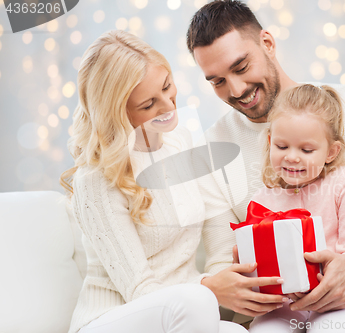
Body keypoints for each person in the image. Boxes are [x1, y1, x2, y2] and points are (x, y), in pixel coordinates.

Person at [186, 1, 345, 331]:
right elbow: (221, 258)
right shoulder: (211, 148)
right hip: (269, 311)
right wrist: (233, 283)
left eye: (241, 66)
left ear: (267, 43)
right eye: (217, 81)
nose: (236, 90)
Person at [60, 30, 255, 333]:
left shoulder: (182, 140)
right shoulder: (96, 180)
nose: (168, 106)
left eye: (167, 87)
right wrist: (210, 288)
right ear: (119, 112)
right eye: (149, 103)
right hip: (113, 318)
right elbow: (139, 289)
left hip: (185, 309)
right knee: (196, 302)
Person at [248, 84, 345, 332]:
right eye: (282, 146)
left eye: (306, 150)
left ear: (331, 152)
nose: (292, 157)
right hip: (286, 301)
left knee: (329, 328)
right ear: (270, 141)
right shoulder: (263, 199)